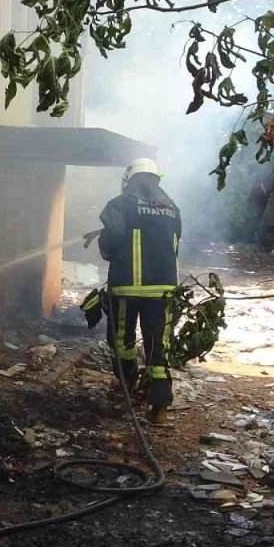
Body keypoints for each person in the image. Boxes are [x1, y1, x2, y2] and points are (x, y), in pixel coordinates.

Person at [97, 158, 182, 425]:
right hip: (164, 291)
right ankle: (160, 409)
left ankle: (126, 390)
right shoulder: (172, 208)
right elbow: (174, 244)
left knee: (122, 342)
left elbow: (108, 245)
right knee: (159, 348)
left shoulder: (120, 204)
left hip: (126, 287)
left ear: (129, 179)